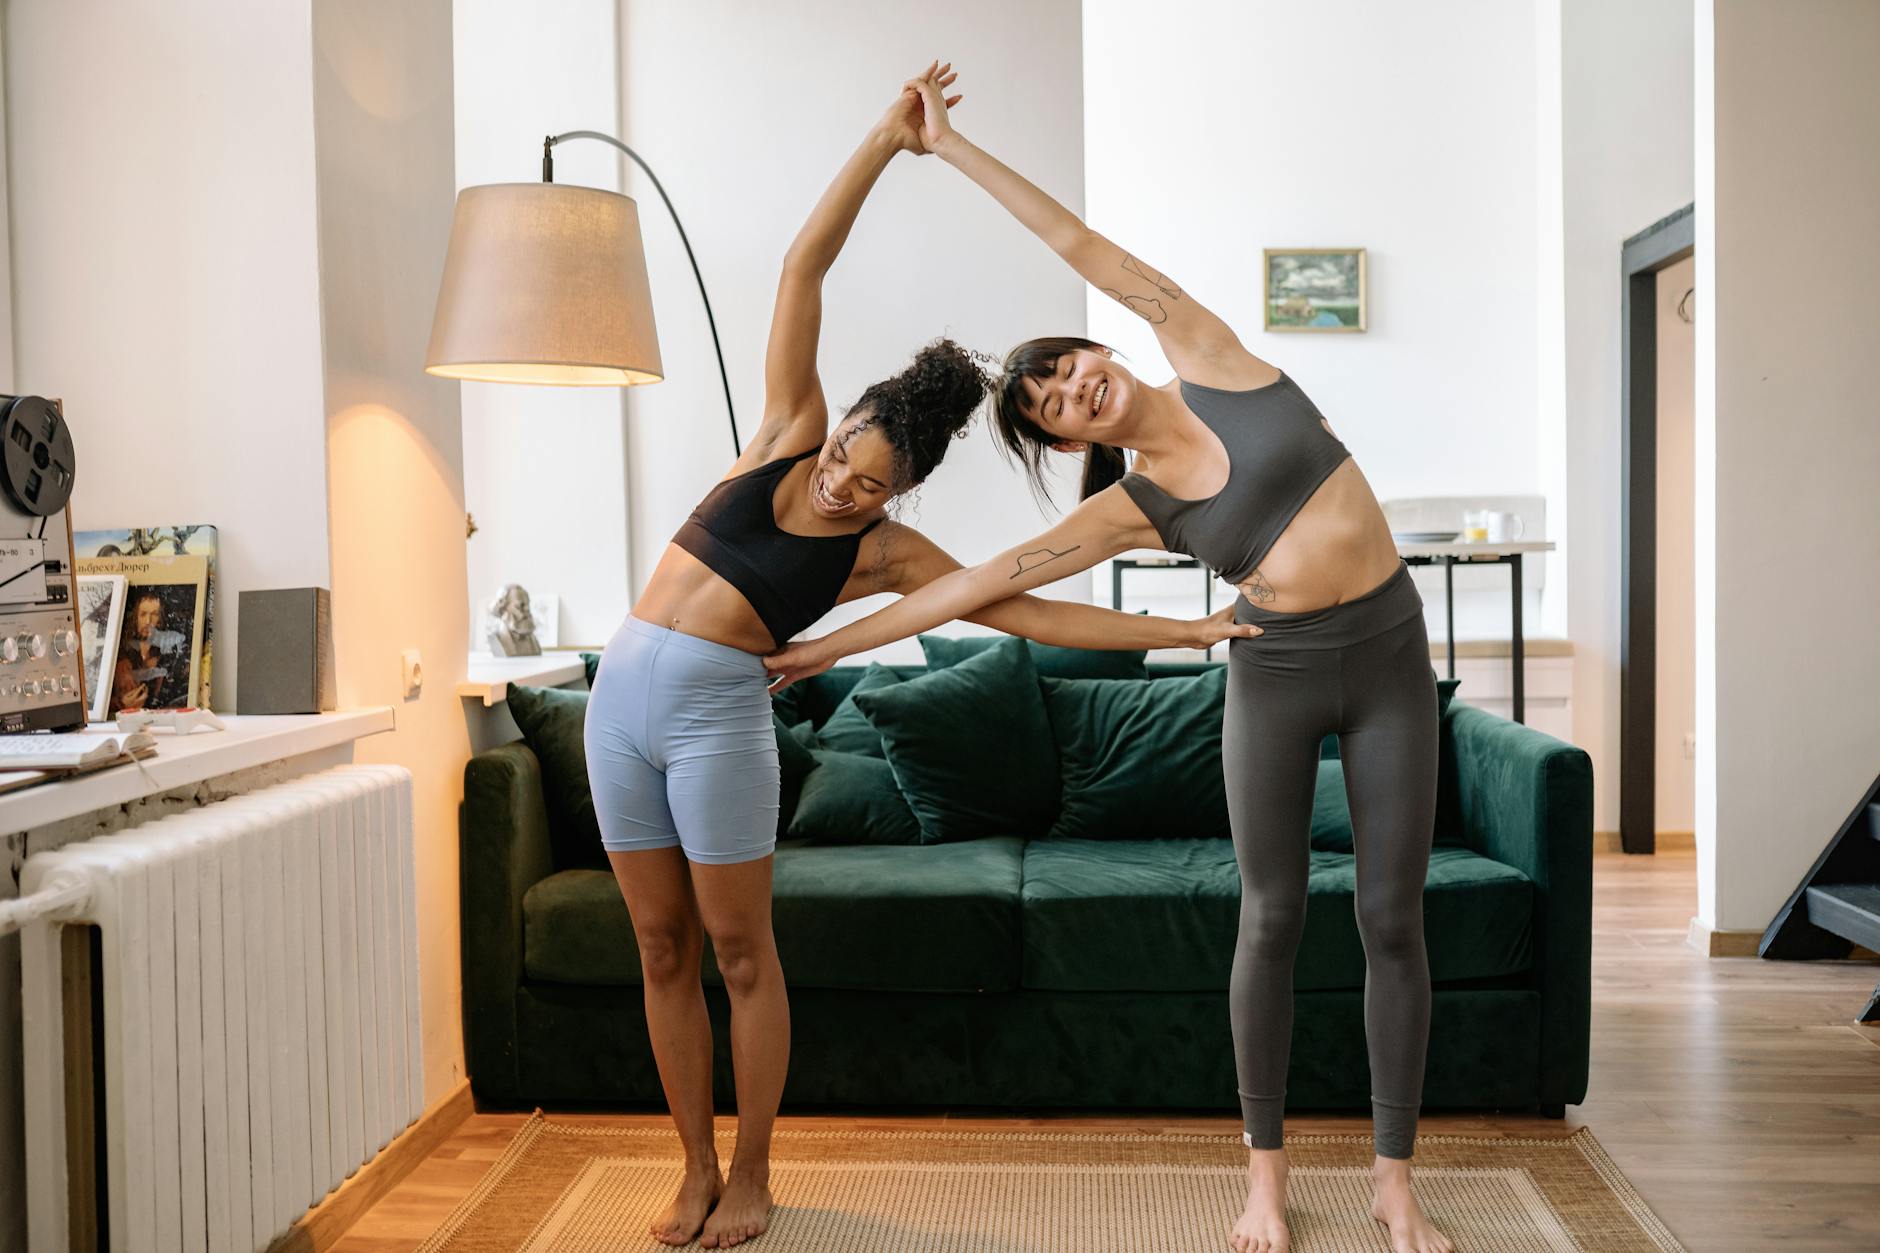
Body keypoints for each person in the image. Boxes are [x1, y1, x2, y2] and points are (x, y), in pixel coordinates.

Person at [764, 72, 1452, 1253]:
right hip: (1275, 674)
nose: (1074, 386)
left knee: (1394, 918)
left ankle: (1394, 1182)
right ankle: (1265, 1183)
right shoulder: (1128, 511)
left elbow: (1073, 237)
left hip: (1388, 653)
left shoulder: (1208, 351)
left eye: (1068, 364)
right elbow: (975, 585)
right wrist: (825, 646)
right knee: (1271, 917)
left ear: (1099, 347)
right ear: (1071, 440)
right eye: (1052, 406)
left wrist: (952, 147)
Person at [584, 65, 1256, 1250]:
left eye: (870, 484)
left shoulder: (889, 555)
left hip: (716, 719)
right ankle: (686, 1161)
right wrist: (883, 144)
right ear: (835, 422)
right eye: (847, 456)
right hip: (616, 700)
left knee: (738, 948)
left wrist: (1184, 633)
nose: (844, 484)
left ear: (904, 491)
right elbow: (802, 266)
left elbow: (1035, 617)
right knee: (655, 942)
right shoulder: (784, 431)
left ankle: (751, 1172)